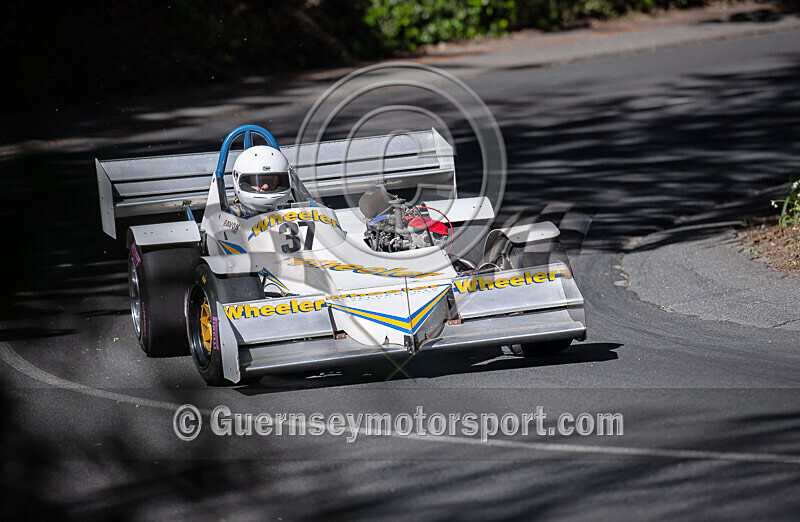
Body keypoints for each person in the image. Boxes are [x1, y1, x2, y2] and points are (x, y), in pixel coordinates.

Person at [229, 145, 293, 217]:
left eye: (271, 181)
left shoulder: (294, 213)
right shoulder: (230, 217)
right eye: (259, 182)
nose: (265, 186)